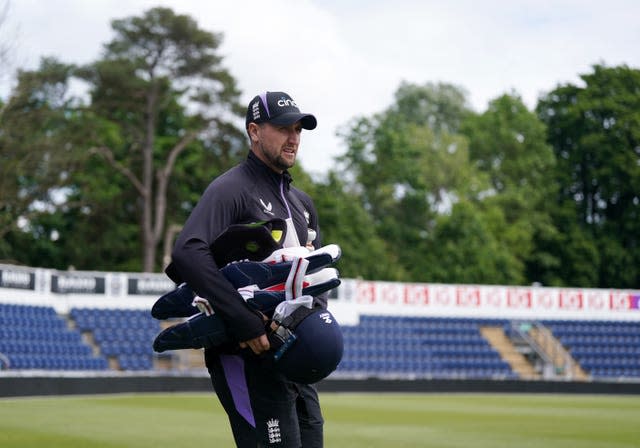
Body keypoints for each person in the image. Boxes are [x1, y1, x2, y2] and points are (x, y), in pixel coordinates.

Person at [170, 91, 325, 447]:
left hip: (294, 362)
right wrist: (244, 320)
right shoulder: (231, 189)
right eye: (284, 128)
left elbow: (314, 279)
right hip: (245, 356)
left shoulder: (303, 204)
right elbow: (188, 251)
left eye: (299, 129)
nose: (294, 138)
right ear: (254, 131)